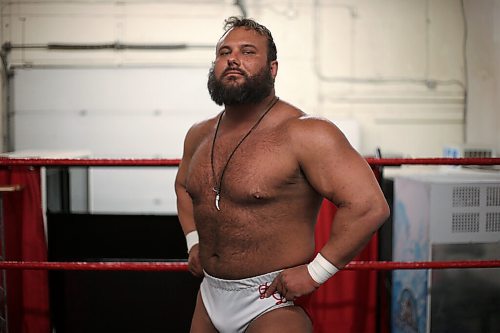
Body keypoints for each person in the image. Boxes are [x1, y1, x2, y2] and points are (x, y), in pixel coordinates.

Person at [175, 16, 390, 333]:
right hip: (210, 294)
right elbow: (184, 187)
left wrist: (315, 272)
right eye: (224, 52)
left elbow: (370, 206)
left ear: (272, 69)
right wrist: (194, 242)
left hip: (273, 299)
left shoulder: (306, 132)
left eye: (248, 52)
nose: (232, 59)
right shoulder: (199, 134)